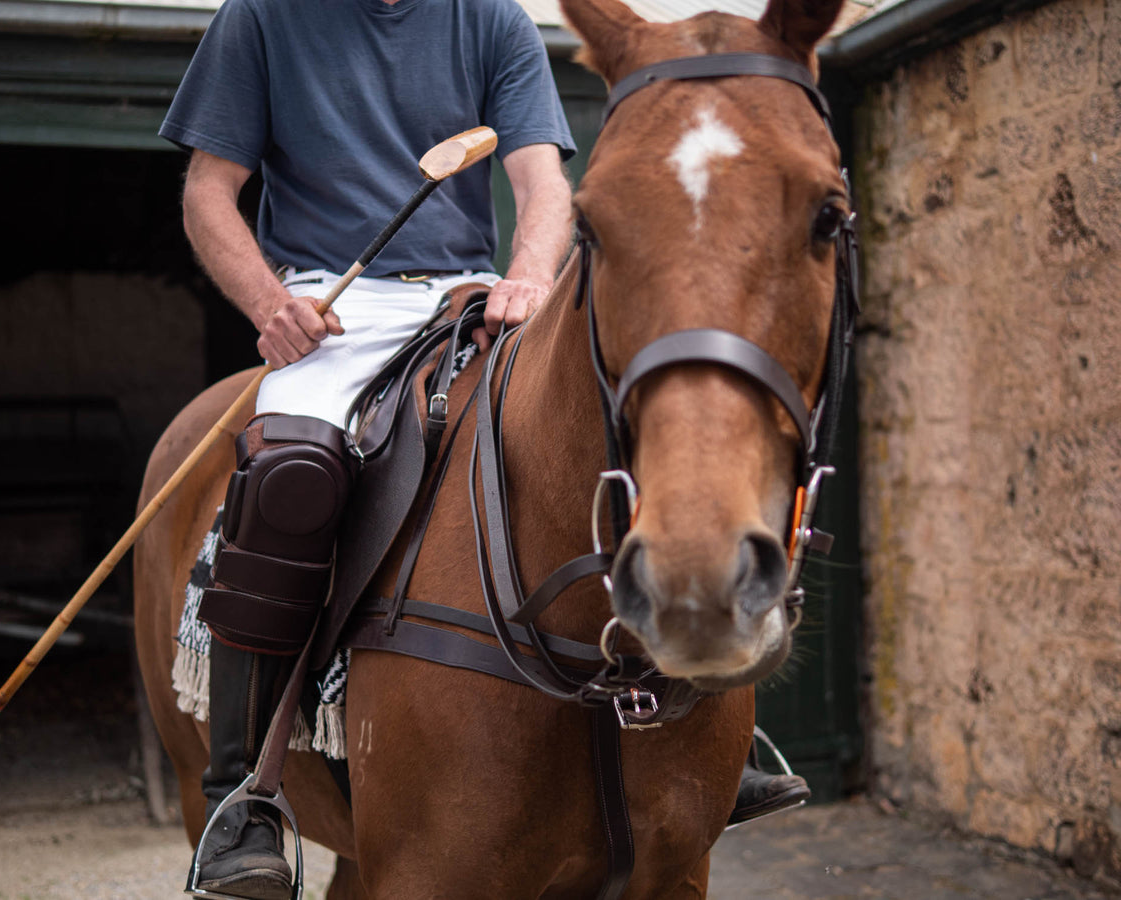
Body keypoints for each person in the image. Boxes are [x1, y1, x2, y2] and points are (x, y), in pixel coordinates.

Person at [161, 1, 805, 896]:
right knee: (290, 471)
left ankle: (696, 710)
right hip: (328, 310)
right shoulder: (265, 17)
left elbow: (542, 185)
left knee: (603, 416)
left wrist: (531, 277)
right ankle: (243, 791)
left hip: (469, 296)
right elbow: (207, 190)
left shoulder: (491, 18)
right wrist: (271, 304)